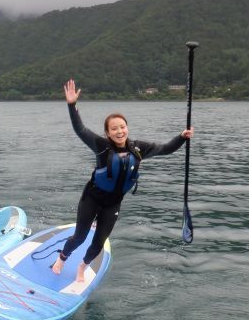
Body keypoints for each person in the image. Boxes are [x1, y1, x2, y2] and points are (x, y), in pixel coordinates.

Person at [52, 79, 194, 283]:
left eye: (122, 127)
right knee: (80, 237)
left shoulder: (138, 148)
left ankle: (82, 266)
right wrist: (72, 105)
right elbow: (80, 129)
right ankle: (62, 258)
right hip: (92, 198)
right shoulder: (101, 145)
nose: (119, 132)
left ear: (127, 128)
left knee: (99, 242)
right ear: (107, 133)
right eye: (114, 129)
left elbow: (166, 149)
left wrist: (182, 136)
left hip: (113, 204)